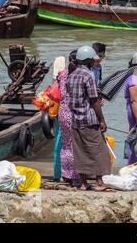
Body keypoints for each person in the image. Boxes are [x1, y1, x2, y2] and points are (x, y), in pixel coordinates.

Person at [66, 45, 111, 191]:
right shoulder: (88, 75)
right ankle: (99, 182)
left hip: (75, 119)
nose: (94, 62)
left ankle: (84, 183)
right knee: (98, 149)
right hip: (89, 119)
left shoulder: (71, 75)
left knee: (80, 151)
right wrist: (102, 120)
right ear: (88, 61)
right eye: (93, 60)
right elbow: (94, 101)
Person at [57, 50, 80, 187]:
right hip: (73, 112)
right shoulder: (76, 75)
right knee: (75, 145)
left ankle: (65, 175)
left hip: (62, 111)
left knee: (65, 145)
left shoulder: (62, 74)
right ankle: (74, 176)